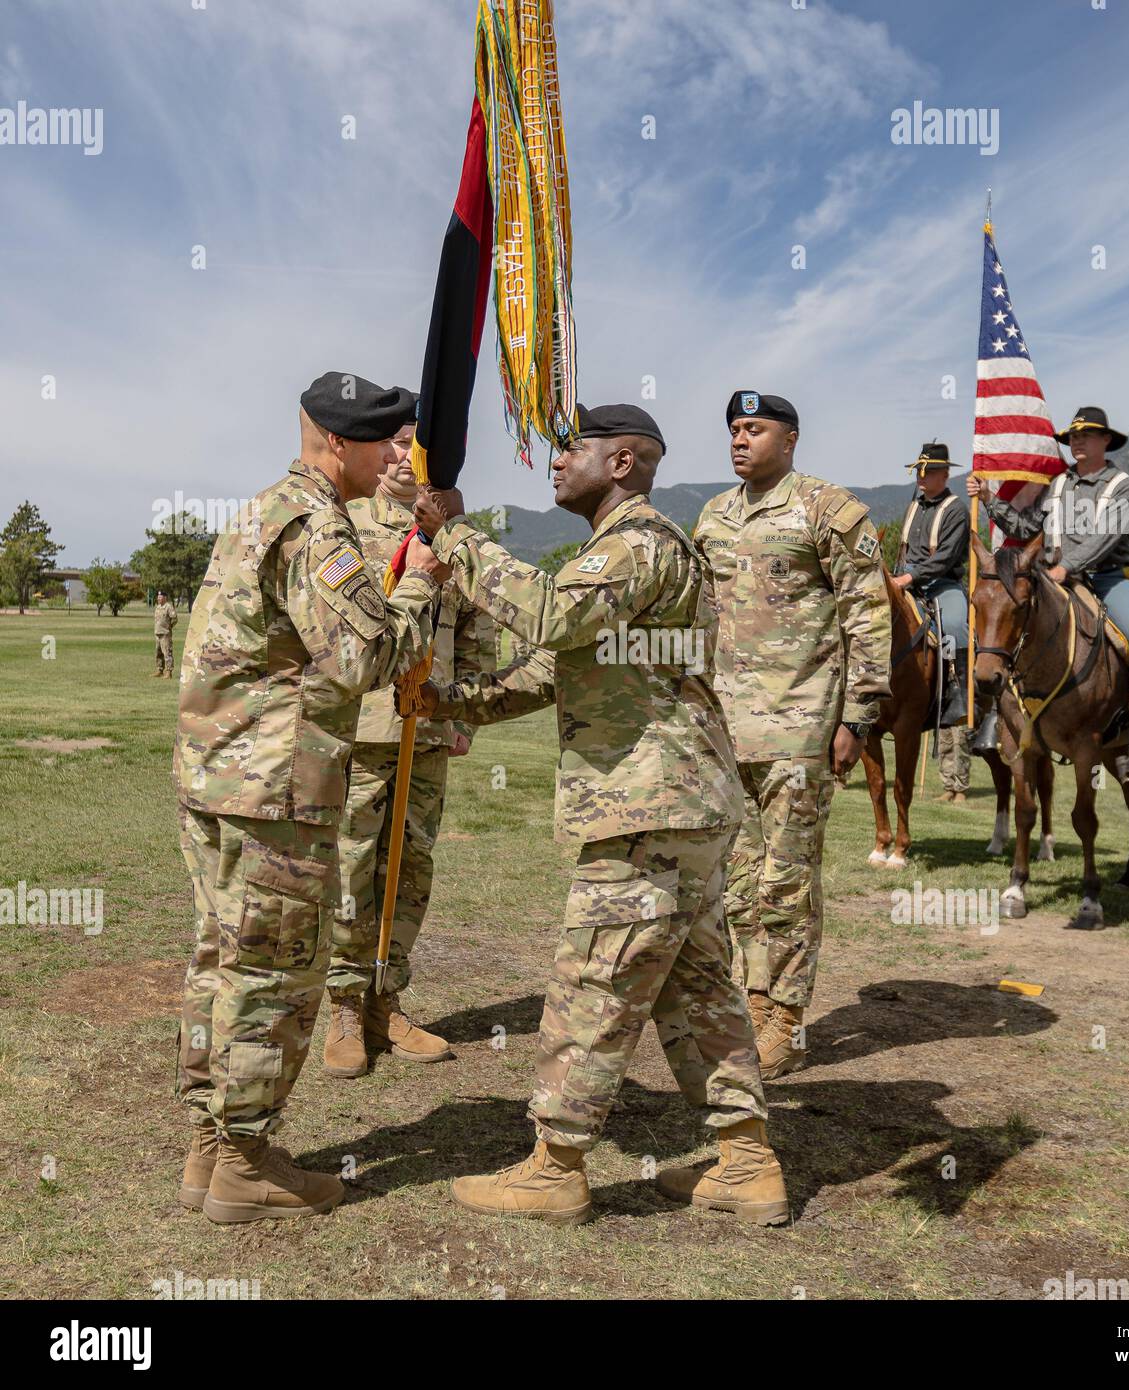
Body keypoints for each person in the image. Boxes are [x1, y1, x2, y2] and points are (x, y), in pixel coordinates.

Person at [409, 402, 788, 1227]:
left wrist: (456, 536)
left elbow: (548, 615)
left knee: (597, 982)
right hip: (682, 804)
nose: (552, 462)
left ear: (622, 463)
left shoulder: (640, 546)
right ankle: (748, 1163)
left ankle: (555, 1168)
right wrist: (453, 701)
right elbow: (555, 665)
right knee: (697, 990)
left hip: (648, 808)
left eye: (568, 448)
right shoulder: (629, 552)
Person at [173, 373, 440, 1223]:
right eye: (387, 442)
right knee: (273, 977)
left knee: (220, 962)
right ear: (334, 443)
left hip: (220, 776)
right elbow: (363, 658)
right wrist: (420, 581)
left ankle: (210, 1147)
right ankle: (246, 1166)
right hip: (276, 787)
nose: (401, 455)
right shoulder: (317, 524)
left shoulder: (260, 508)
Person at [694, 391, 890, 1079]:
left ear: (792, 438)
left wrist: (859, 715)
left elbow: (867, 611)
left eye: (756, 429)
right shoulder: (713, 518)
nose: (741, 440)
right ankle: (752, 997)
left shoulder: (829, 509)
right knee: (740, 880)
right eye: (735, 430)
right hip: (726, 728)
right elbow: (700, 617)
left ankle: (786, 1016)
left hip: (802, 726)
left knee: (787, 880)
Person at [323, 406, 497, 1078]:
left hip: (427, 724)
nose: (404, 458)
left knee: (412, 863)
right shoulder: (344, 523)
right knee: (353, 863)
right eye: (395, 445)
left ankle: (385, 1000)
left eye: (416, 448)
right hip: (362, 724)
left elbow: (478, 629)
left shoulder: (452, 535)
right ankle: (342, 1006)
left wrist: (467, 713)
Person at [966, 405, 1129, 776]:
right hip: (1052, 578)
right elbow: (1025, 528)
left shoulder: (1123, 486)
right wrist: (990, 499)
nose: (1078, 441)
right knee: (1005, 626)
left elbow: (1105, 538)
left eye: (1086, 435)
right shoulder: (1058, 484)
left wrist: (1065, 567)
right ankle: (998, 714)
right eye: (1073, 436)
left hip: (1105, 578)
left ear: (1106, 440)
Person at [894, 442, 972, 801]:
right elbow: (904, 550)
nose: (922, 477)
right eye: (919, 471)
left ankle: (957, 699)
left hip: (943, 584)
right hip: (905, 580)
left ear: (945, 474)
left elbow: (944, 559)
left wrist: (910, 578)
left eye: (928, 472)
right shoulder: (914, 506)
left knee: (955, 630)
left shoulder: (957, 510)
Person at [153, 590, 178, 677]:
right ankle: (159, 670)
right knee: (158, 653)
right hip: (158, 633)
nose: (158, 598)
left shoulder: (168, 607)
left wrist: (169, 627)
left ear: (165, 598)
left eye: (160, 597)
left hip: (165, 634)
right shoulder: (158, 607)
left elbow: (174, 618)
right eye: (158, 597)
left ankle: (168, 672)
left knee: (167, 653)